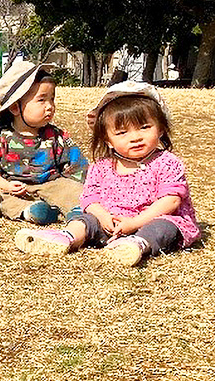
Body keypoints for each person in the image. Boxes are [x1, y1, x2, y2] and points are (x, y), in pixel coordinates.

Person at [15, 81, 198, 266]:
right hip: (111, 221)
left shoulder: (166, 162)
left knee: (165, 226)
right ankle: (65, 238)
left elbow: (171, 200)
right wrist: (103, 217)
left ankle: (136, 245)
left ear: (160, 129)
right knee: (85, 220)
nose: (135, 138)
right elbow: (90, 198)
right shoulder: (102, 167)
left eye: (144, 127)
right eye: (122, 132)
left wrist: (134, 223)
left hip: (152, 219)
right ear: (107, 140)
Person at [0, 61, 88, 225]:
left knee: (74, 190)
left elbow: (78, 167)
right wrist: (6, 186)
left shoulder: (57, 136)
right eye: (41, 100)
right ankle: (31, 212)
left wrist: (84, 190)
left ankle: (77, 210)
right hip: (13, 189)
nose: (50, 107)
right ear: (14, 108)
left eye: (52, 99)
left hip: (51, 185)